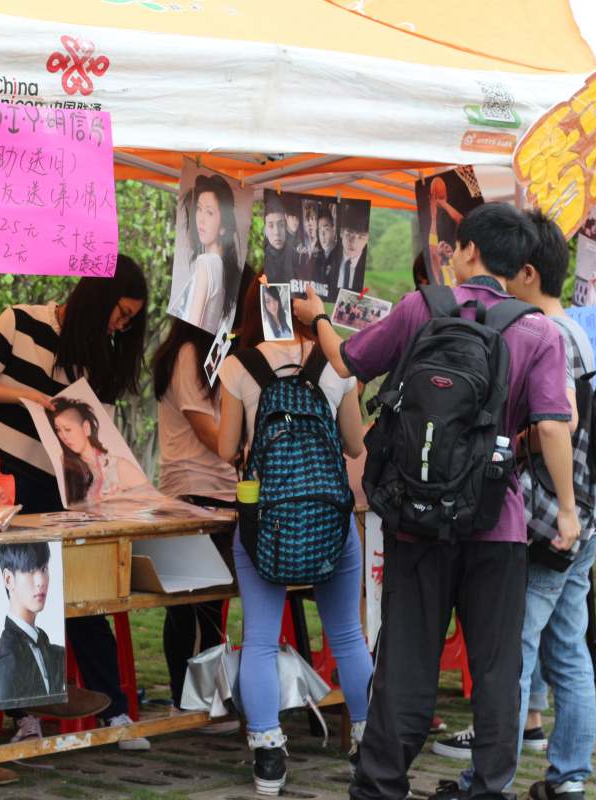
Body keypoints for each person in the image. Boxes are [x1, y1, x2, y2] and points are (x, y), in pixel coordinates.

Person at [295, 202, 578, 800]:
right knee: (497, 669)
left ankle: (381, 784)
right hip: (496, 523)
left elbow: (348, 361)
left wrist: (317, 317)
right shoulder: (538, 332)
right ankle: (489, 788)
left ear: (469, 251)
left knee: (406, 660)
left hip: (415, 517)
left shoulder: (419, 309)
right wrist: (569, 511)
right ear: (518, 265)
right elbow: (554, 426)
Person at [0, 255, 152, 750]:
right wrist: (29, 398)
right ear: (97, 297)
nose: (120, 325)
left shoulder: (100, 357)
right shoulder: (20, 321)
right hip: (0, 485)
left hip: (60, 493)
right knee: (18, 599)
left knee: (83, 597)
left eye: (130, 320)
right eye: (120, 313)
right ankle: (26, 717)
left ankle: (113, 710)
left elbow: (97, 438)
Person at [444, 211, 596, 800]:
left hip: (546, 520)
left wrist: (510, 433)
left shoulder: (545, 333)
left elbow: (561, 421)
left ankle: (490, 777)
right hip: (582, 515)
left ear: (527, 272)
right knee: (568, 650)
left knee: (513, 652)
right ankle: (569, 777)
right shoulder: (573, 328)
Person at [217, 296, 374, 797]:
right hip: (330, 519)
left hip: (266, 523)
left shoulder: (239, 366)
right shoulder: (335, 362)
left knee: (260, 639)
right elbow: (355, 446)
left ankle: (268, 753)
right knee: (347, 634)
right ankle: (368, 743)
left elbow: (225, 448)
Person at [152, 318, 239, 729]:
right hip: (191, 492)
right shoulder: (189, 355)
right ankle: (184, 698)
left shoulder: (221, 353)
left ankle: (204, 697)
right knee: (188, 606)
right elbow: (209, 432)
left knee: (209, 605)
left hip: (222, 492)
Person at [0, 542, 67, 711]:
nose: (41, 581)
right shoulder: (6, 659)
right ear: (9, 579)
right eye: (30, 571)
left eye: (44, 569)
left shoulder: (52, 650)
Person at [170, 174, 243, 334]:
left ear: (223, 226)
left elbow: (192, 325)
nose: (200, 219)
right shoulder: (221, 267)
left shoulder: (206, 262)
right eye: (199, 209)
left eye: (209, 212)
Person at [47, 396, 147, 506]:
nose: (64, 436)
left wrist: (122, 498)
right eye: (58, 430)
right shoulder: (69, 469)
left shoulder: (117, 466)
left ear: (86, 427)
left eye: (68, 429)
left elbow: (154, 502)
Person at [333, 204, 368, 297]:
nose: (353, 242)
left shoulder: (369, 269)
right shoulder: (328, 260)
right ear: (341, 232)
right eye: (349, 234)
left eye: (361, 237)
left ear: (367, 239)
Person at [263, 194, 293, 284]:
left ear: (287, 226)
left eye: (281, 225)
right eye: (271, 226)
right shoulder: (261, 262)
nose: (277, 232)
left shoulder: (297, 255)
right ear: (265, 230)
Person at [312, 205, 341, 296]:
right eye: (319, 230)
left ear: (333, 230)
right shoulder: (317, 257)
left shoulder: (340, 256)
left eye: (326, 229)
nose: (322, 234)